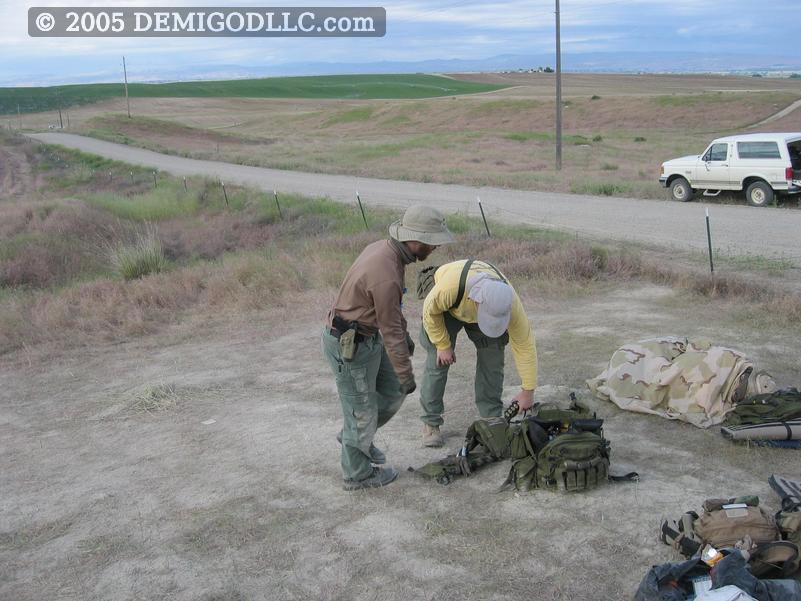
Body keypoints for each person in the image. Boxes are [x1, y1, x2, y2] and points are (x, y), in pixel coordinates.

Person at [322, 205, 455, 490]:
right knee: (362, 410)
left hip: (367, 338)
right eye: (432, 243)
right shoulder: (387, 271)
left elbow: (392, 315)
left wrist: (404, 346)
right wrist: (407, 373)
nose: (434, 248)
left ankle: (355, 435)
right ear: (416, 239)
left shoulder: (388, 252)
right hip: (352, 345)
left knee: (392, 389)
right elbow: (391, 329)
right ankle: (357, 475)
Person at [419, 259, 538, 447]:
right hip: (447, 310)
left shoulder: (510, 303)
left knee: (493, 360)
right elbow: (429, 311)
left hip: (476, 307)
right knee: (438, 362)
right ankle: (430, 423)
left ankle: (491, 418)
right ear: (476, 300)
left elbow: (525, 345)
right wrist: (443, 345)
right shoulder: (448, 289)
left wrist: (528, 391)